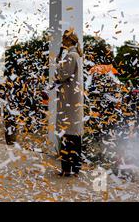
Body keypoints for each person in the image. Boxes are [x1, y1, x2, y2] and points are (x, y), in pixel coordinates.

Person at [55, 29, 84, 177]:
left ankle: (67, 168)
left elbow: (61, 74)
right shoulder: (77, 56)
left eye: (63, 39)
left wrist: (59, 56)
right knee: (75, 135)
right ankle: (75, 167)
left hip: (69, 103)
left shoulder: (71, 56)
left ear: (68, 41)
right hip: (74, 101)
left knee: (67, 134)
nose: (62, 42)